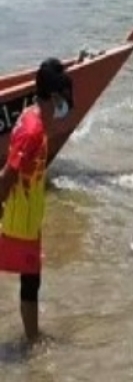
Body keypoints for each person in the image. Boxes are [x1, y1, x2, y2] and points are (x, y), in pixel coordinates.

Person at [0, 57, 73, 343]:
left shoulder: (32, 117)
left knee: (32, 279)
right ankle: (32, 342)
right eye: (63, 97)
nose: (65, 104)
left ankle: (32, 339)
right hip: (18, 217)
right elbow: (9, 173)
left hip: (29, 217)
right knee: (30, 281)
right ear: (54, 96)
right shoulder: (33, 131)